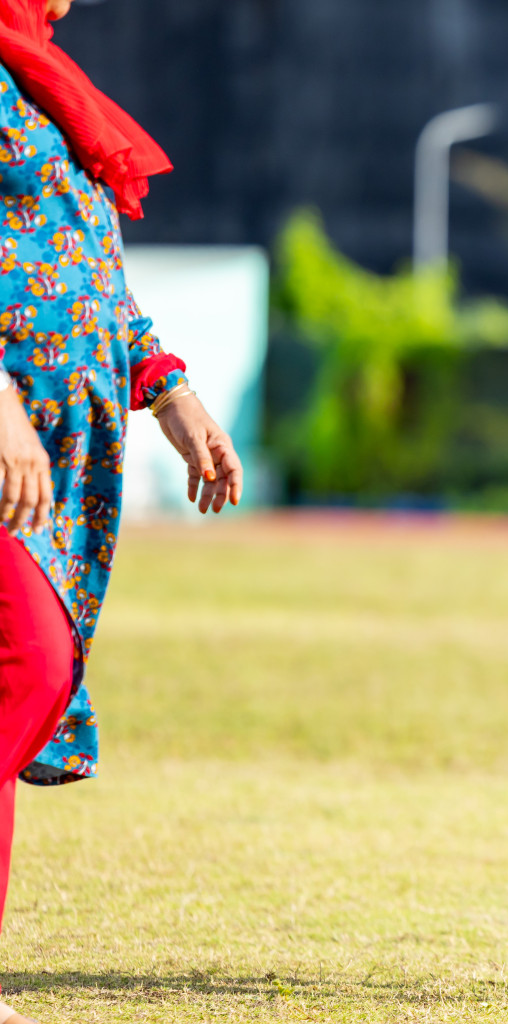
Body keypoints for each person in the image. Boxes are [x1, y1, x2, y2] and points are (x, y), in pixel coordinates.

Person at [0, 2, 242, 1021]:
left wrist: (169, 389)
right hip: (9, 439)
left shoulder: (41, 78)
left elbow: (86, 274)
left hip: (62, 460)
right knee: (29, 669)